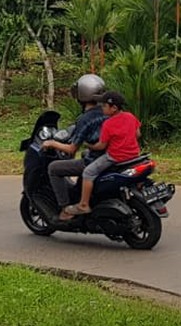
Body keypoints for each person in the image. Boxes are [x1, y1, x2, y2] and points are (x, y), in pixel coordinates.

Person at [61, 90, 141, 220]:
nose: (102, 108)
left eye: (104, 106)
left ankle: (83, 204)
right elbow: (138, 134)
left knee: (88, 172)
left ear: (114, 108)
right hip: (133, 155)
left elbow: (101, 146)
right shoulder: (130, 116)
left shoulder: (108, 124)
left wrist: (89, 145)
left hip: (115, 157)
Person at [41, 73, 108, 208]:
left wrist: (52, 143)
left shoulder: (85, 119)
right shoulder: (108, 111)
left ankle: (65, 207)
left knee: (53, 168)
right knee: (84, 154)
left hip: (96, 160)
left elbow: (71, 149)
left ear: (82, 95)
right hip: (112, 155)